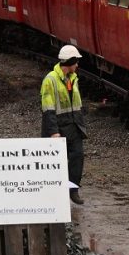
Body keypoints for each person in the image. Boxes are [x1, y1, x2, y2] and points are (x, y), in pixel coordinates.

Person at [41, 45, 87, 205]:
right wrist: (53, 132)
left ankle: (73, 190)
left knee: (77, 157)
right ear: (70, 61)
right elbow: (48, 108)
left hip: (74, 127)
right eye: (76, 62)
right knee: (55, 165)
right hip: (58, 128)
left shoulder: (73, 79)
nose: (77, 65)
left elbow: (76, 104)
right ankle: (53, 196)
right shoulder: (50, 80)